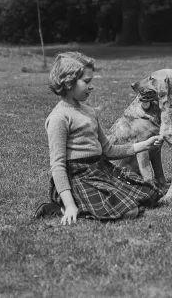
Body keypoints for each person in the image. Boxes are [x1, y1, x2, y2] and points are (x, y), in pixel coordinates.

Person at [37, 52, 164, 224]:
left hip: (100, 170)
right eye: (87, 81)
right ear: (68, 82)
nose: (91, 86)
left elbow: (109, 150)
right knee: (129, 211)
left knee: (149, 194)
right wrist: (70, 205)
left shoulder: (90, 112)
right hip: (77, 177)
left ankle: (91, 201)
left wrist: (143, 145)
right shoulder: (59, 118)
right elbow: (58, 165)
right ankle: (60, 206)